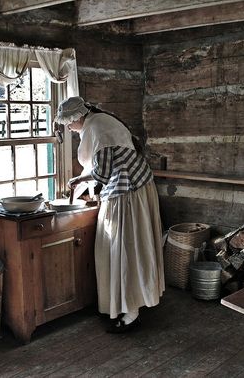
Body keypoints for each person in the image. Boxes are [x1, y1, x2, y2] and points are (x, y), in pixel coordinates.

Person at [54, 96, 165, 333]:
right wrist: (82, 179)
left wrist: (80, 180)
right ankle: (130, 302)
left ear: (76, 117)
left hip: (127, 193)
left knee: (122, 248)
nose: (69, 128)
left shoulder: (95, 128)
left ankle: (130, 310)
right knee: (134, 247)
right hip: (138, 187)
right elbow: (105, 166)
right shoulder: (100, 121)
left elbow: (102, 173)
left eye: (68, 123)